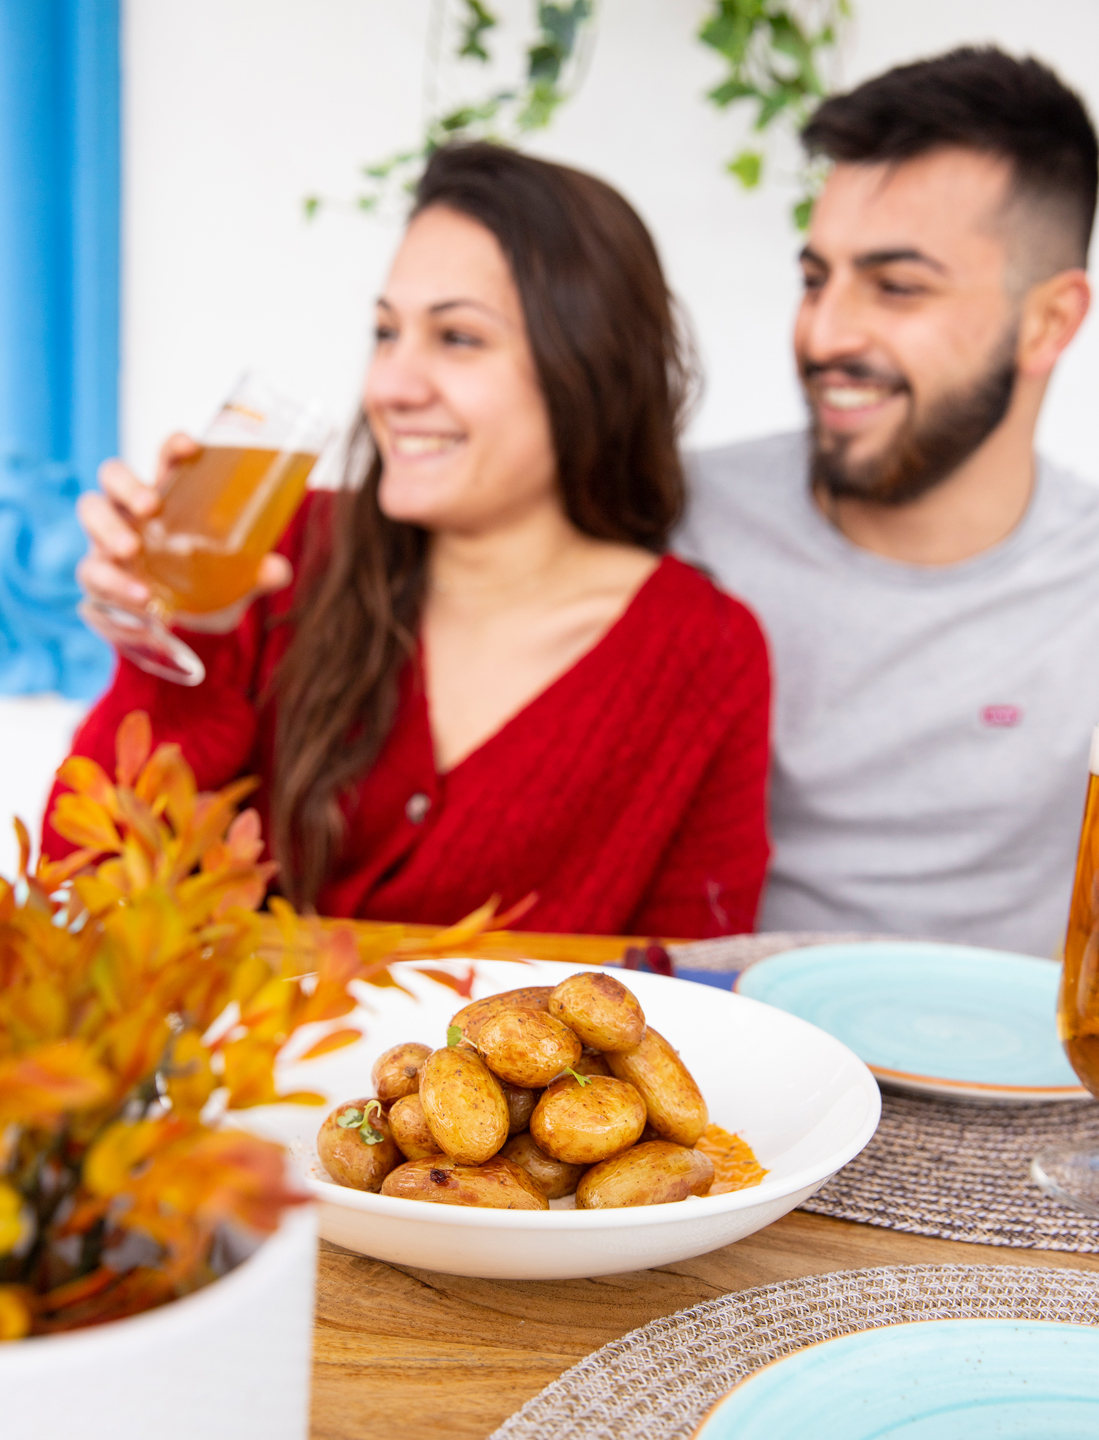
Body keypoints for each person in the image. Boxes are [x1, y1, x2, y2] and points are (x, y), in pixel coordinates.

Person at [52, 143, 771, 938]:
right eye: (386, 333)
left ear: (590, 370)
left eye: (457, 338)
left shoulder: (703, 651)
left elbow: (694, 989)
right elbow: (77, 902)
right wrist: (184, 653)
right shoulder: (278, 558)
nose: (391, 386)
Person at [677, 47, 1099, 958]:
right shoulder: (677, 518)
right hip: (726, 1065)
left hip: (1015, 1084)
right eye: (815, 277)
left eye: (897, 286)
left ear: (1050, 321)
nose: (825, 333)